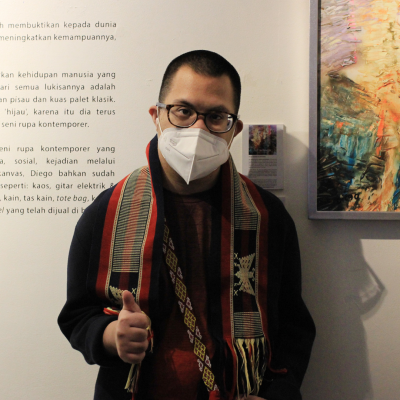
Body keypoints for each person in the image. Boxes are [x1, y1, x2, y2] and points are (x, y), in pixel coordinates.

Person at [58, 50, 315, 400]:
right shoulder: (108, 211)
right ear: (157, 116)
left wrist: (278, 394)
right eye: (183, 111)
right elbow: (77, 314)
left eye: (216, 117)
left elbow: (293, 325)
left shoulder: (266, 216)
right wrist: (109, 335)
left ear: (235, 129)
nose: (197, 128)